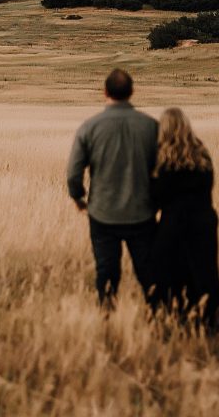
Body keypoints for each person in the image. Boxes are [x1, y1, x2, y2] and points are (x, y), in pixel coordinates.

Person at [67, 69, 159, 308]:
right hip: (142, 213)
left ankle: (107, 319)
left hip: (103, 214)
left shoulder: (90, 127)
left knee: (106, 273)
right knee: (150, 273)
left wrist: (78, 198)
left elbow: (74, 173)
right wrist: (156, 201)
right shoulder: (151, 126)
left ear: (105, 92)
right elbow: (164, 169)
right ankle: (159, 319)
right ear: (132, 92)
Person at [150, 108, 219, 335]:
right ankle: (210, 317)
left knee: (170, 271)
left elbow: (156, 196)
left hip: (174, 223)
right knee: (205, 271)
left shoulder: (162, 157)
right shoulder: (201, 153)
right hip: (204, 222)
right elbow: (209, 186)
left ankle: (177, 316)